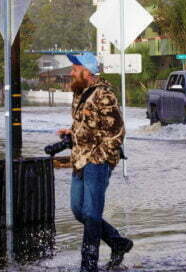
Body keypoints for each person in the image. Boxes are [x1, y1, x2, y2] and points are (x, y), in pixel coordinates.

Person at [57, 52, 133, 272]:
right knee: (78, 210)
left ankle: (88, 265)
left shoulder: (104, 94)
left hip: (97, 162)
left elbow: (117, 131)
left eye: (74, 68)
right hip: (79, 159)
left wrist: (102, 157)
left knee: (91, 214)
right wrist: (70, 133)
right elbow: (87, 125)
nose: (71, 72)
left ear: (86, 71)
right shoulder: (80, 93)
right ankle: (118, 242)